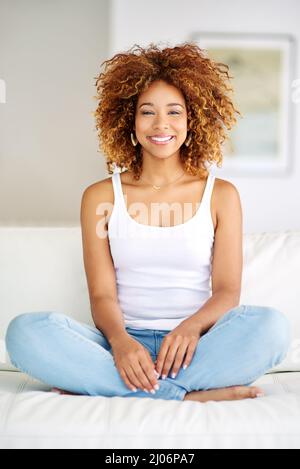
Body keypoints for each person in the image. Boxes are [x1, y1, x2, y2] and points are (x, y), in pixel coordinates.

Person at [5, 42, 291, 403]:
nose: (161, 125)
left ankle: (120, 388)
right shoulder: (100, 197)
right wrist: (122, 343)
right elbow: (102, 294)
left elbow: (226, 292)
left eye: (174, 112)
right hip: (120, 345)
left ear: (192, 120)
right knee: (24, 333)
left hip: (196, 345)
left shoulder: (221, 195)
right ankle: (185, 395)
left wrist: (189, 329)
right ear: (129, 120)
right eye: (147, 112)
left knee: (272, 328)